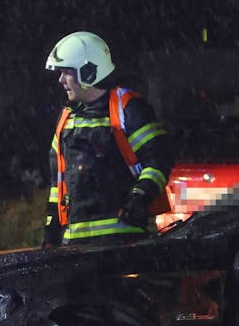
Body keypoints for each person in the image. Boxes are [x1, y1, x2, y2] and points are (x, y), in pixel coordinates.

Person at [42, 31, 175, 246]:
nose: (61, 80)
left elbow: (158, 161)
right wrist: (52, 229)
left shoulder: (128, 110)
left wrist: (140, 198)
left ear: (87, 71)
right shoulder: (66, 119)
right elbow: (58, 184)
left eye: (67, 72)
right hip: (74, 246)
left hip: (123, 243)